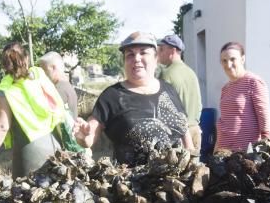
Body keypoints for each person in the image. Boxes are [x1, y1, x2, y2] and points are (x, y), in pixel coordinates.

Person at [75, 31, 192, 165]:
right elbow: (89, 136)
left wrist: (192, 158)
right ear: (124, 61)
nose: (136, 58)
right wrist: (83, 136)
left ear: (155, 59)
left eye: (143, 52)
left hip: (177, 181)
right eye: (130, 54)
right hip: (133, 183)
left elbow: (184, 129)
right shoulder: (112, 95)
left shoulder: (169, 90)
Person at [0, 42, 63, 177]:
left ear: (4, 64)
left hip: (29, 150)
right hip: (53, 142)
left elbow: (2, 126)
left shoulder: (5, 88)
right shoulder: (38, 74)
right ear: (27, 58)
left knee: (26, 194)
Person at [216, 41, 270, 153]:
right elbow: (224, 121)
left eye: (233, 59)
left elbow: (264, 119)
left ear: (242, 59)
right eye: (224, 61)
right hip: (223, 152)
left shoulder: (254, 82)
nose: (228, 64)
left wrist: (264, 149)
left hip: (245, 153)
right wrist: (216, 150)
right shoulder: (225, 88)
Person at [157, 34, 202, 150]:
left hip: (178, 136)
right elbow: (199, 105)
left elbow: (161, 108)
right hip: (195, 130)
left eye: (161, 49)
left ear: (172, 50)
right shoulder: (191, 72)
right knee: (195, 167)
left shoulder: (166, 74)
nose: (159, 53)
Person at [38, 51, 79, 120]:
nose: (43, 73)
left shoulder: (59, 90)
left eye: (44, 69)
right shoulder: (65, 85)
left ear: (53, 67)